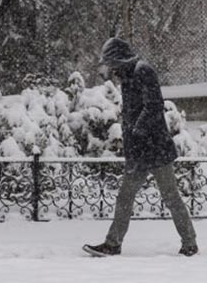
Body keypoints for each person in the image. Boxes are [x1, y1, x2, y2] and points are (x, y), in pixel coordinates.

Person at [83, 37, 198, 257]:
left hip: (155, 148)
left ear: (120, 58)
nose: (111, 67)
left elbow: (153, 106)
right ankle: (113, 243)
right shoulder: (128, 75)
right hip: (139, 151)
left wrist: (137, 130)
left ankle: (190, 243)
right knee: (125, 197)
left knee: (171, 196)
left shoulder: (143, 71)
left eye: (111, 62)